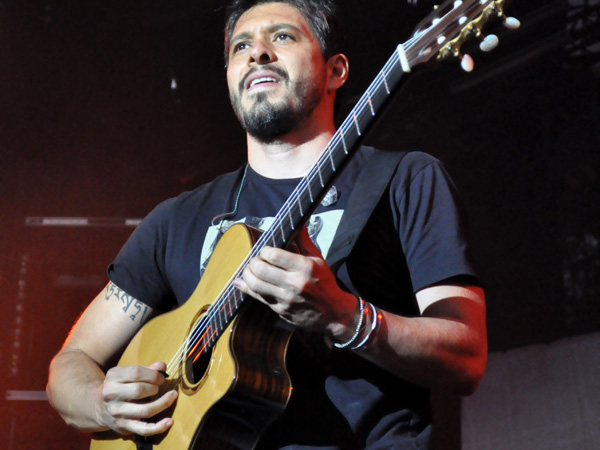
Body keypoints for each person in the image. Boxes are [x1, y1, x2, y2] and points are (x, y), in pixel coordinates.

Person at [46, 0, 487, 448]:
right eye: (241, 46)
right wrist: (101, 402)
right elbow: (70, 364)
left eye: (282, 36)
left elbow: (467, 356)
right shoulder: (176, 219)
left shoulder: (406, 180)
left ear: (335, 70)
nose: (257, 53)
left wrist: (343, 317)